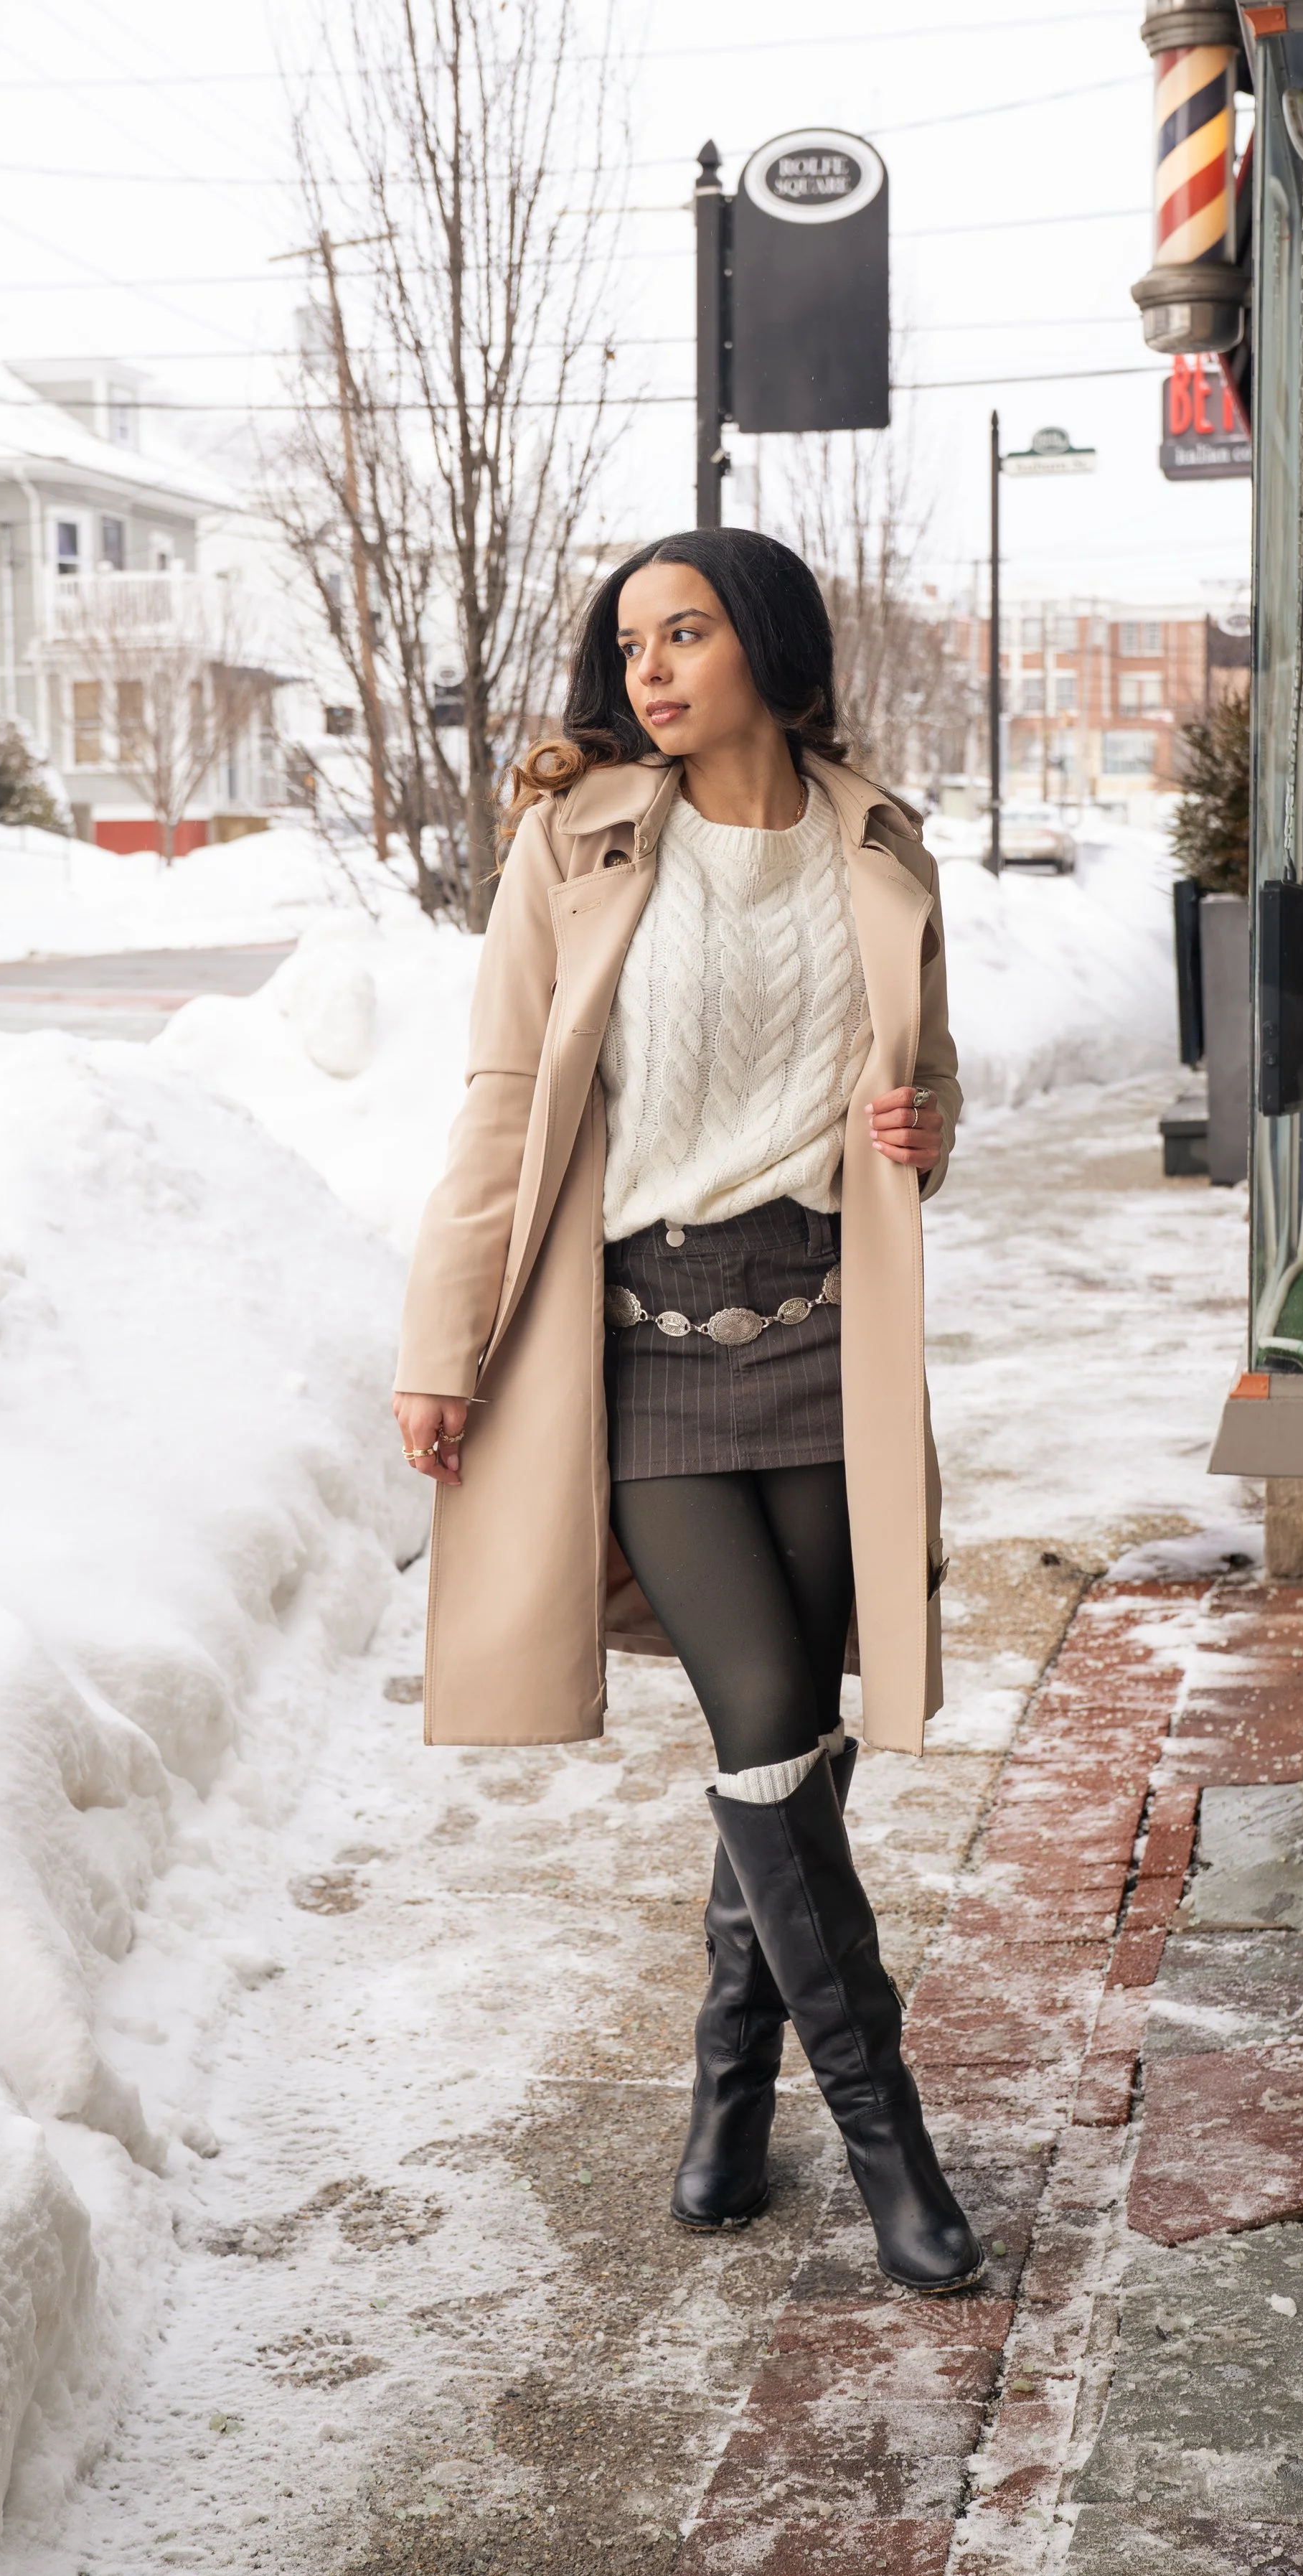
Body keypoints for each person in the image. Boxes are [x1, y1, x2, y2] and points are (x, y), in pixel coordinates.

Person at [393, 528, 981, 2295]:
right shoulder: (572, 843)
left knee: (788, 1742)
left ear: (767, 647)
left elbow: (924, 1077)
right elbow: (503, 1100)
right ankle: (888, 2140)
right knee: (766, 1716)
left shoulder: (877, 846)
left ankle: (729, 2096)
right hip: (637, 1350)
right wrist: (442, 1341)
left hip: (820, 1338)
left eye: (686, 632)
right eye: (629, 641)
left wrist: (922, 1129)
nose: (648, 669)